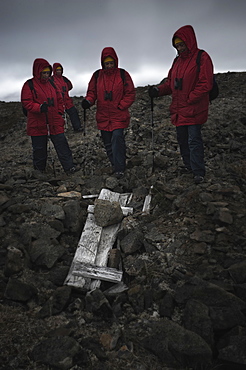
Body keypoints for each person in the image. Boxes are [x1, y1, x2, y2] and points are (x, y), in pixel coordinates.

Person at [149, 25, 214, 184]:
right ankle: (189, 167)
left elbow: (206, 83)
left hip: (194, 108)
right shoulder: (177, 61)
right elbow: (171, 83)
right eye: (177, 46)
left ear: (189, 42)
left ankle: (198, 172)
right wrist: (158, 90)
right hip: (179, 110)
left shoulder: (202, 57)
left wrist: (191, 97)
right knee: (182, 139)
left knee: (194, 140)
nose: (179, 48)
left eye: (181, 45)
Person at [81, 47, 135, 178]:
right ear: (102, 63)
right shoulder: (97, 76)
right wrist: (88, 101)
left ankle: (120, 169)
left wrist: (121, 106)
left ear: (115, 62)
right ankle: (115, 165)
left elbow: (130, 93)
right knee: (108, 144)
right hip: (103, 116)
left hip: (118, 116)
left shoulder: (123, 74)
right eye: (107, 63)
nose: (109, 66)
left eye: (111, 63)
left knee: (117, 139)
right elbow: (92, 92)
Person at [21, 58, 78, 175]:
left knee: (62, 144)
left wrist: (59, 112)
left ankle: (69, 168)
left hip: (54, 120)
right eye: (43, 73)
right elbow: (26, 102)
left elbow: (59, 98)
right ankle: (39, 171)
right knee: (40, 149)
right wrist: (39, 107)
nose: (46, 75)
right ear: (38, 72)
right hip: (37, 123)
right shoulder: (29, 85)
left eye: (48, 72)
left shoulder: (52, 83)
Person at [52, 63, 83, 132]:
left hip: (67, 101)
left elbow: (70, 86)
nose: (59, 71)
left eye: (60, 70)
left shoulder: (64, 79)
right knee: (58, 116)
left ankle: (77, 127)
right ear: (54, 70)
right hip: (58, 102)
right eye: (57, 70)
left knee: (73, 112)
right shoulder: (51, 80)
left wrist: (65, 92)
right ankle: (58, 130)